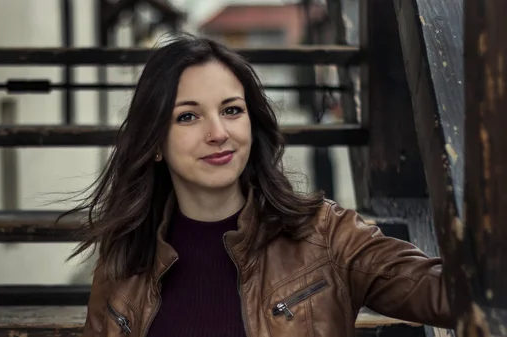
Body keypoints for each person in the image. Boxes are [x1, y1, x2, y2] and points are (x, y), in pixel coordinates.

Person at [66, 34, 455, 336]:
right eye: (188, 117)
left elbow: (446, 293)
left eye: (232, 110)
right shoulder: (124, 261)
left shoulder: (325, 235)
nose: (218, 133)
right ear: (154, 143)